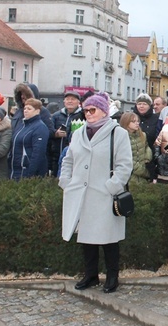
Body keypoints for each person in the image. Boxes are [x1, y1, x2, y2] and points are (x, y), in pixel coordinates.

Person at [60, 92, 133, 294]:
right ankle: (90, 275)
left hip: (104, 194)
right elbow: (68, 159)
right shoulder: (78, 133)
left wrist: (112, 186)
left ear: (103, 111)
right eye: (86, 110)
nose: (89, 114)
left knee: (109, 239)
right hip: (81, 194)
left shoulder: (118, 133)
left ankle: (112, 276)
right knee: (86, 238)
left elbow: (125, 165)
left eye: (93, 110)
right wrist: (66, 181)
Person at [9, 98, 50, 180]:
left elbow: (38, 153)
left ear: (37, 111)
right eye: (25, 108)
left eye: (29, 109)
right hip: (15, 170)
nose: (26, 111)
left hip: (27, 171)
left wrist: (30, 174)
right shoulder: (22, 125)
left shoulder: (40, 127)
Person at [50, 90, 85, 176]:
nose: (70, 101)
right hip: (56, 154)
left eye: (73, 99)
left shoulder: (83, 115)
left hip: (74, 156)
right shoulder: (56, 116)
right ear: (64, 101)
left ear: (78, 102)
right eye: (67, 99)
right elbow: (48, 131)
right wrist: (55, 133)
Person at [120, 111, 152, 182]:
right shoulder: (121, 137)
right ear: (126, 122)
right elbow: (125, 158)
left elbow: (147, 148)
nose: (137, 123)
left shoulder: (142, 135)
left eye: (138, 121)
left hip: (143, 174)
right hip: (129, 175)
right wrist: (143, 171)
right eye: (133, 121)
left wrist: (147, 159)